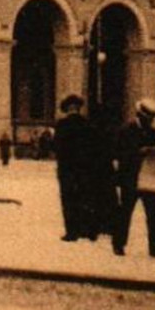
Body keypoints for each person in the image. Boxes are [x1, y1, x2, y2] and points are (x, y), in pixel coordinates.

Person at [112, 99, 155, 259]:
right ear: (140, 115)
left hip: (148, 176)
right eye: (149, 117)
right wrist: (139, 152)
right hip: (130, 178)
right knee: (125, 212)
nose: (151, 120)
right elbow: (119, 153)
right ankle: (118, 244)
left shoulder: (152, 132)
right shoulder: (126, 130)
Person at [54, 94, 95, 241]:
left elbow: (56, 147)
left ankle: (72, 232)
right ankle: (88, 230)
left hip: (67, 169)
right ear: (78, 108)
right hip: (84, 168)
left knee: (69, 200)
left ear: (67, 108)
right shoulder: (87, 123)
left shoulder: (61, 125)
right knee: (85, 198)